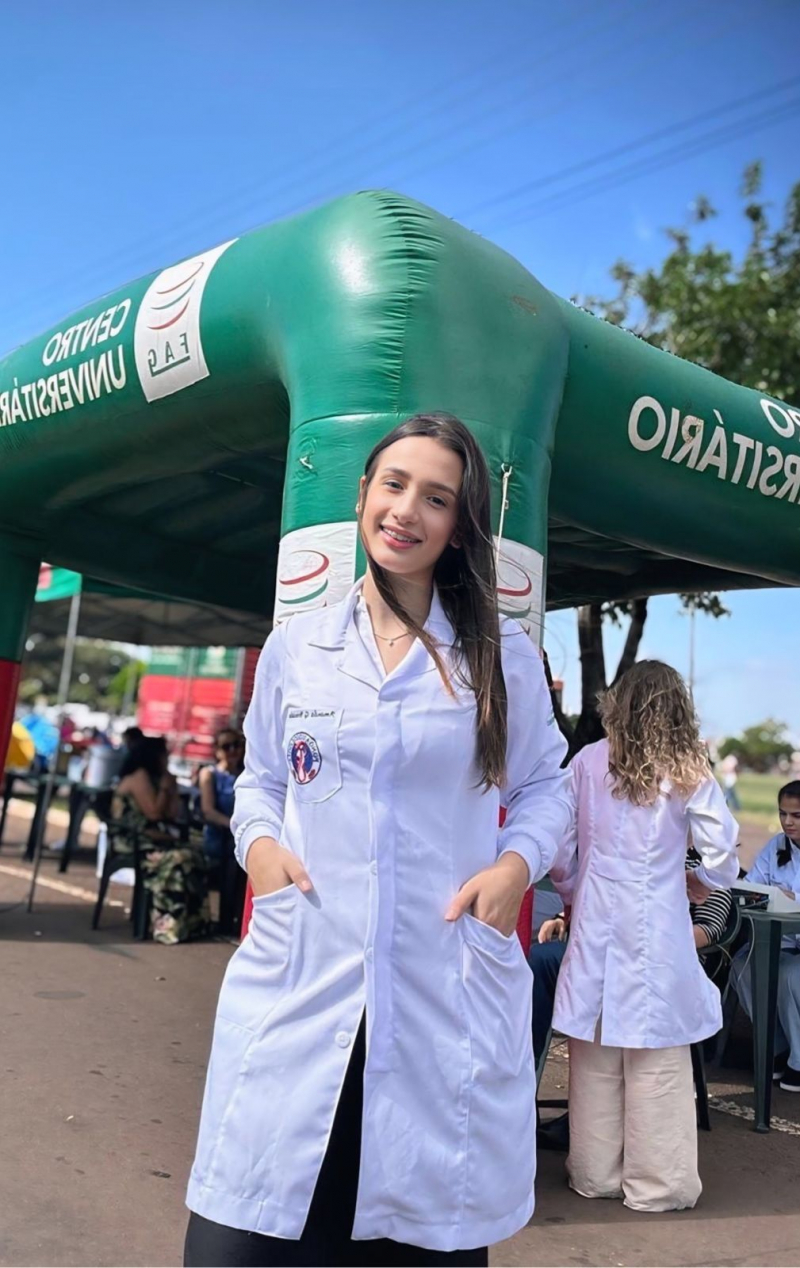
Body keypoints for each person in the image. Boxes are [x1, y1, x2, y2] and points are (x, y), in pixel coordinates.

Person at [184, 413, 573, 1267]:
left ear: (458, 525)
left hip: (440, 977)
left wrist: (516, 867)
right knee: (242, 1240)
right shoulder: (298, 647)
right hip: (306, 964)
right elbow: (263, 781)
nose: (407, 510)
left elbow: (548, 786)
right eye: (394, 485)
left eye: (437, 498)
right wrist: (260, 850)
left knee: (415, 1234)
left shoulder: (501, 655)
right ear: (362, 495)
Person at [549, 660, 738, 1213]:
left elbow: (558, 847)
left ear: (619, 703)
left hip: (596, 921)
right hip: (658, 926)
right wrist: (703, 880)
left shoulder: (587, 760)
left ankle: (594, 1172)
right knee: (657, 1055)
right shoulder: (687, 767)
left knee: (595, 1053)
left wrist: (573, 889)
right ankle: (658, 1184)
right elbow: (723, 851)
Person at [530, 846, 734, 1152]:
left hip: (663, 965)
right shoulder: (630, 851)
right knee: (537, 963)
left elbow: (708, 929)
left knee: (588, 974)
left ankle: (588, 1122)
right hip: (604, 951)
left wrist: (646, 928)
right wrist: (563, 916)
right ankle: (524, 1091)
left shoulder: (704, 868)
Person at [731, 780, 800, 1092]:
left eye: (796, 815)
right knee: (743, 966)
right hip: (778, 940)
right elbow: (752, 886)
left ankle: (798, 1059)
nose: (787, 822)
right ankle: (775, 1047)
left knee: (788, 974)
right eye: (783, 813)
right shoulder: (776, 846)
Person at [113, 736, 210, 945]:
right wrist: (165, 789)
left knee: (195, 855)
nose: (167, 758)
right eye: (164, 754)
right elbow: (154, 813)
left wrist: (170, 786)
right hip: (135, 840)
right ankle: (168, 923)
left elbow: (172, 814)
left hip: (155, 837)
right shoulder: (139, 777)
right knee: (179, 859)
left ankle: (191, 922)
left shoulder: (158, 778)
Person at [199, 728, 246, 936]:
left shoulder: (247, 775)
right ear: (217, 751)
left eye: (237, 744)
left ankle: (238, 919)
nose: (233, 750)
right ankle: (225, 921)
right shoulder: (209, 774)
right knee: (229, 857)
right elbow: (208, 811)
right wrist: (234, 827)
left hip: (240, 836)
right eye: (227, 746)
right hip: (219, 835)